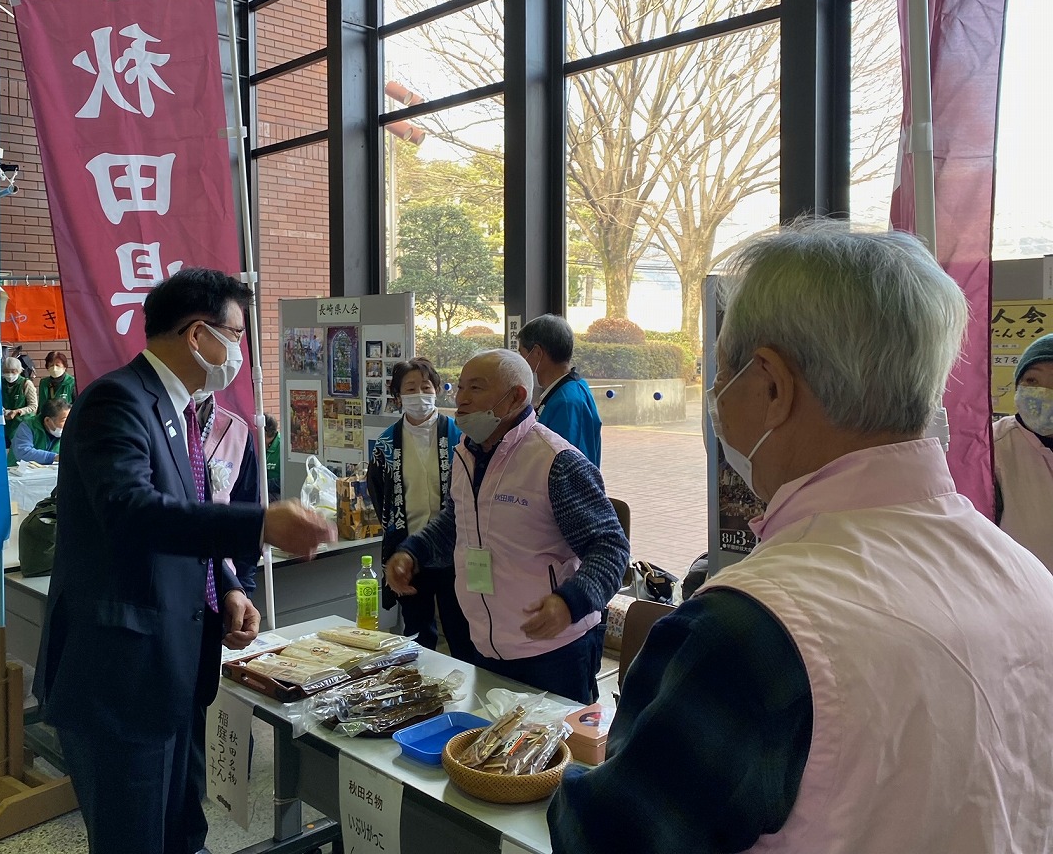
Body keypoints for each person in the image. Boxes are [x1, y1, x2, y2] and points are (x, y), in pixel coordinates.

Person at [547, 224, 1053, 854]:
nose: (715, 398)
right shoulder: (1030, 580)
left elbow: (608, 839)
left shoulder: (749, 630)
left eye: (720, 373)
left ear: (772, 385)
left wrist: (565, 773)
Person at [32, 267, 333, 854]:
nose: (239, 352)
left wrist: (229, 587)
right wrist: (260, 523)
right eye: (237, 335)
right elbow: (132, 512)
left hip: (174, 666)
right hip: (121, 673)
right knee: (134, 837)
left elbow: (186, 513)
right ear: (199, 335)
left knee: (179, 830)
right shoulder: (117, 401)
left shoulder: (186, 409)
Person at [385, 350, 629, 704]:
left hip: (554, 649)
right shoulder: (465, 453)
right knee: (493, 750)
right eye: (461, 386)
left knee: (555, 755)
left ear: (515, 397)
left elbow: (610, 546)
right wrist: (413, 552)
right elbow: (457, 519)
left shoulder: (555, 461)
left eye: (476, 388)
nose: (461, 398)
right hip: (484, 640)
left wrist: (570, 602)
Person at [184, 383, 264, 854]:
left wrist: (239, 586)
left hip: (221, 587)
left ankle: (192, 833)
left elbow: (246, 516)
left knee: (207, 700)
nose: (234, 347)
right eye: (229, 332)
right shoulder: (144, 414)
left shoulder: (236, 430)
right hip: (170, 603)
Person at [367, 357, 471, 658]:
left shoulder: (460, 437)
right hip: (408, 553)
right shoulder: (385, 445)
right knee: (417, 631)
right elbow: (380, 496)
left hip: (455, 549)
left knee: (461, 628)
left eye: (425, 387)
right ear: (398, 397)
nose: (419, 394)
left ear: (437, 390)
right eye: (409, 388)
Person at [993, 333, 1053, 573]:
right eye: (1032, 380)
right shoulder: (993, 446)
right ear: (1017, 386)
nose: (1045, 394)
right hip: (1018, 591)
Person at [517, 314, 602, 467]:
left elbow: (565, 465)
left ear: (537, 353)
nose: (520, 360)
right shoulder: (566, 390)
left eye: (521, 353)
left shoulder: (567, 402)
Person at [9, 398, 68, 466]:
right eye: (64, 420)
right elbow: (23, 452)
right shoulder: (28, 426)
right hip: (18, 472)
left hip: (47, 472)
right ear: (47, 420)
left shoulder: (68, 431)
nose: (68, 424)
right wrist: (54, 457)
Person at [1, 356, 38, 447]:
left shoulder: (26, 384)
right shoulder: (1, 383)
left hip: (22, 424)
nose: (9, 374)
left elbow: (33, 406)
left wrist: (18, 411)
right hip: (5, 426)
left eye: (13, 371)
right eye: (6, 371)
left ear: (19, 371)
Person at [265, 413, 281, 501]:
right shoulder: (258, 445)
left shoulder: (282, 447)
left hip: (276, 494)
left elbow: (284, 481)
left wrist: (262, 484)